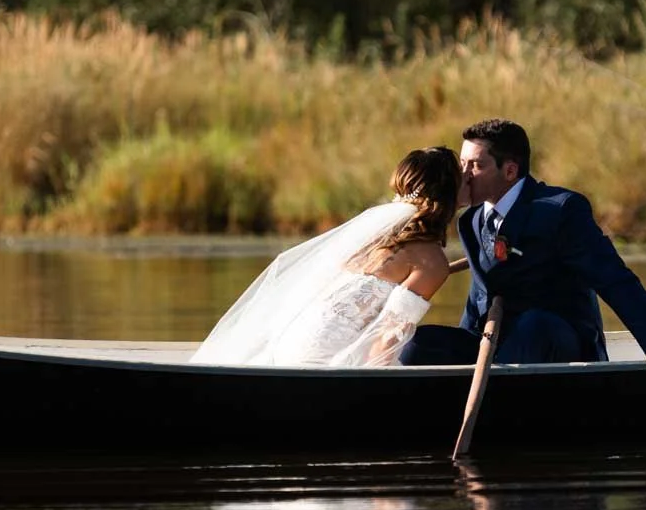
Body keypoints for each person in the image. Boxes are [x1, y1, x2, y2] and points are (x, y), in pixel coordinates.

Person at [400, 118, 646, 370]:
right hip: (497, 345)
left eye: (476, 165)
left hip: (555, 341)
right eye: (462, 164)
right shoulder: (471, 221)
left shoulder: (559, 211)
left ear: (510, 171)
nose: (464, 174)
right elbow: (480, 299)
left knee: (533, 327)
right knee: (418, 344)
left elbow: (612, 277)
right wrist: (465, 356)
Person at [192, 147, 466, 367]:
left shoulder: (373, 235)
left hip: (289, 342)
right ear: (450, 195)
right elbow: (388, 334)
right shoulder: (431, 262)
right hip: (320, 358)